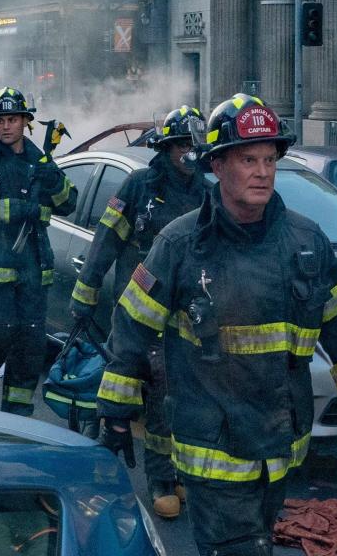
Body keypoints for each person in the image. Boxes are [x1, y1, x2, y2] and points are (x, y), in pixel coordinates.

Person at [98, 94, 337, 556]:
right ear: (218, 166)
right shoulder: (180, 244)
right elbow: (131, 326)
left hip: (282, 444)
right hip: (213, 449)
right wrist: (113, 413)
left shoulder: (306, 241)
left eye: (270, 158)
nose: (263, 171)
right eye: (249, 159)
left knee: (261, 541)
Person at [69, 105, 206, 520]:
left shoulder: (207, 192)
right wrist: (86, 291)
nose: (188, 153)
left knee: (172, 399)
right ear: (165, 147)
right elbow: (106, 241)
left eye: (193, 145)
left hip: (183, 315)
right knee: (118, 393)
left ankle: (167, 475)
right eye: (181, 144)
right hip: (135, 312)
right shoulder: (138, 186)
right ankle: (100, 467)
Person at [0, 87, 77, 414]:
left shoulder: (40, 162)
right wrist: (16, 208)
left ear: (26, 121)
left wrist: (52, 179)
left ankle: (17, 417)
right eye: (0, 120)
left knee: (30, 344)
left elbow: (69, 203)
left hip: (33, 268)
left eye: (12, 119)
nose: (6, 126)